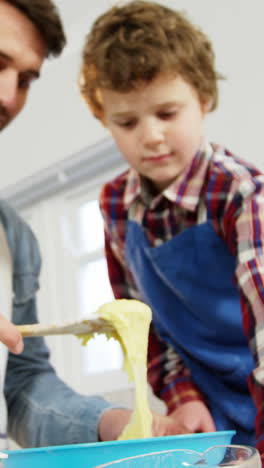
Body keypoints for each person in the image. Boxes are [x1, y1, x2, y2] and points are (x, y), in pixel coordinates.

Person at [79, 0, 264, 460]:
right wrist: (183, 394)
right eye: (127, 122)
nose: (151, 137)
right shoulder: (116, 205)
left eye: (167, 113)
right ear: (104, 119)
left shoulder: (240, 193)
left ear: (203, 100)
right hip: (207, 412)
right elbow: (144, 327)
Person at [0, 0, 187, 449]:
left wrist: (107, 422)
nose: (9, 96)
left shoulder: (14, 240)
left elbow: (22, 386)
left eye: (25, 80)